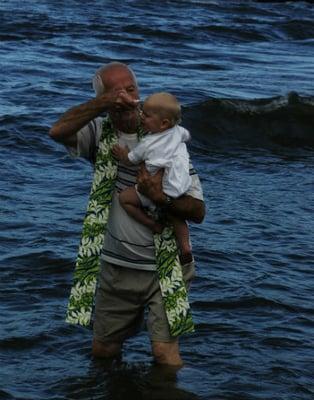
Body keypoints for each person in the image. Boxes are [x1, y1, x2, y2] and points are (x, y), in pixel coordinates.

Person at [49, 62, 205, 367]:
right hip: (116, 267)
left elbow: (198, 211)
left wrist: (160, 197)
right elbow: (57, 131)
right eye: (114, 92)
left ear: (140, 93)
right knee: (103, 352)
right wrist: (101, 104)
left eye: (129, 89)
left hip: (165, 266)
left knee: (164, 355)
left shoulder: (166, 137)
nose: (123, 97)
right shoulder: (98, 133)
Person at [112, 92, 193, 265]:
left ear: (163, 123)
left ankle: (153, 225)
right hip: (180, 186)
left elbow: (131, 160)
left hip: (153, 188)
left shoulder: (147, 143)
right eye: (141, 111)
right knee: (177, 216)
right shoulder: (179, 132)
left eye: (146, 115)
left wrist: (123, 154)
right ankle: (185, 246)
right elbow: (187, 136)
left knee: (124, 199)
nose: (141, 116)